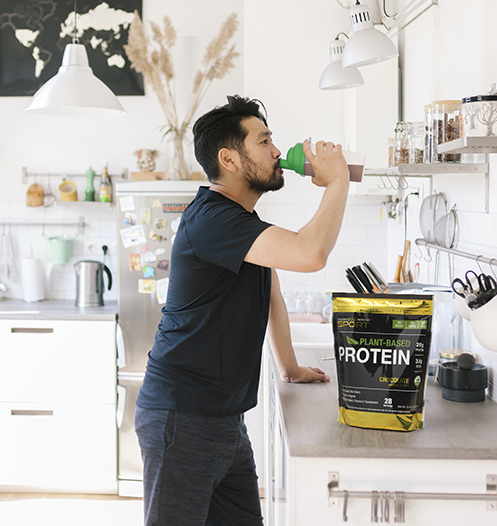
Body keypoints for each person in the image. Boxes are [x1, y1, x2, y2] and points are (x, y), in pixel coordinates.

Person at [134, 95, 351, 526]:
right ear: (229, 159)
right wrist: (338, 181)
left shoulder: (241, 221)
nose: (276, 151)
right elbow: (311, 253)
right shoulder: (213, 220)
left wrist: (289, 366)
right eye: (265, 141)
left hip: (223, 421)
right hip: (181, 416)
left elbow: (271, 292)